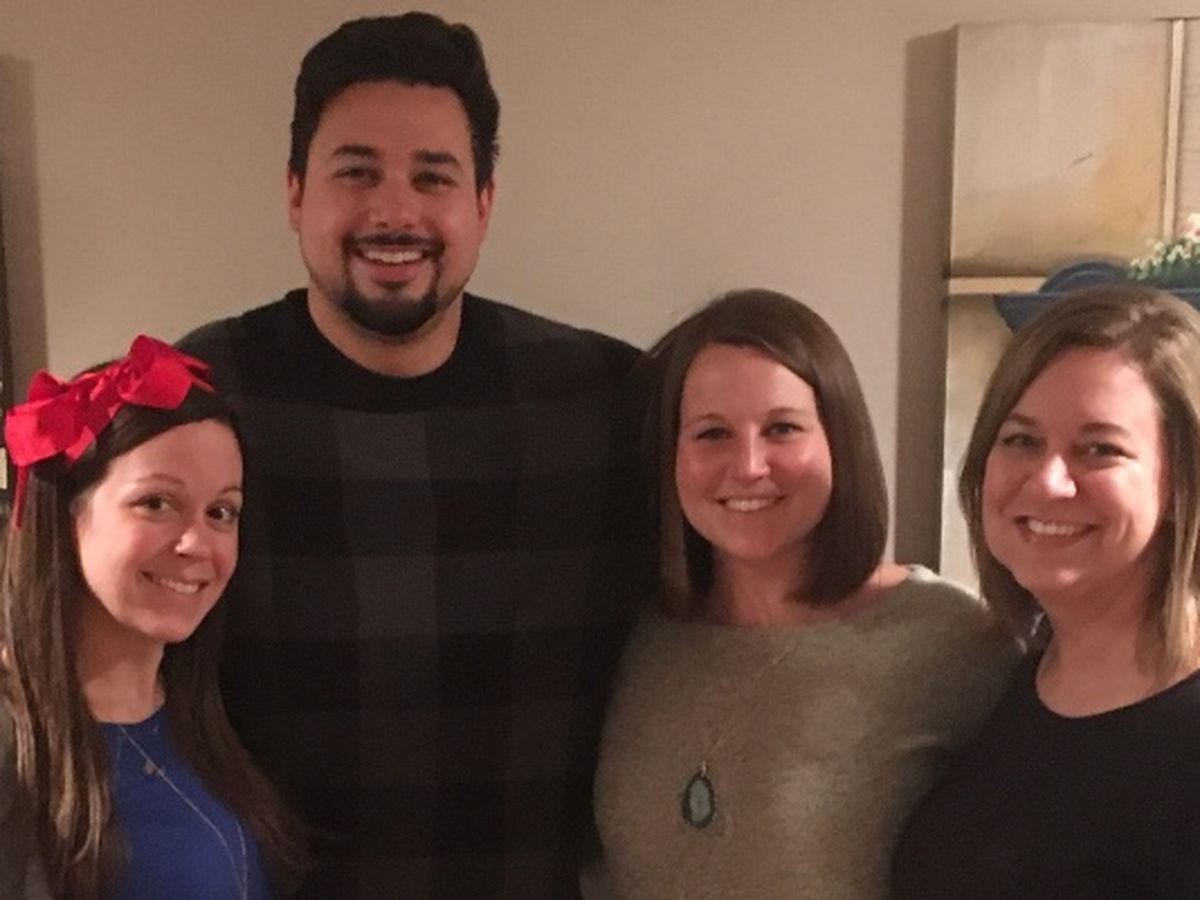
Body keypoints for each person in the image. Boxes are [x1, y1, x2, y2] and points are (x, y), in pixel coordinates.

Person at [177, 13, 645, 898]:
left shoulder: (609, 399)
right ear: (295, 194)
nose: (395, 212)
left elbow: (745, 585)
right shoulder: (191, 404)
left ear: (484, 204)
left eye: (433, 176)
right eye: (357, 172)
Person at [587, 289, 1017, 899]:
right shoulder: (637, 637)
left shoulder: (954, 644)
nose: (749, 465)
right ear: (671, 456)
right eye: (712, 433)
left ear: (838, 440)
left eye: (782, 429)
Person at [892, 285, 1200, 898]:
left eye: (1100, 449)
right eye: (1022, 440)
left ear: (1181, 487)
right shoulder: (1003, 682)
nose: (1048, 482)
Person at [0, 336, 307, 900]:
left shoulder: (202, 714)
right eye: (156, 503)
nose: (197, 543)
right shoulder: (15, 744)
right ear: (67, 515)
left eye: (222, 512)